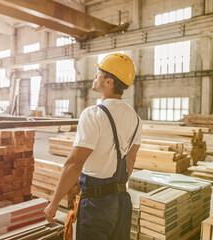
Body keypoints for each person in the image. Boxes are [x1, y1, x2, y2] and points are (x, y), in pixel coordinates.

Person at [44, 53, 142, 240]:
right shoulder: (135, 118)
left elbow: (74, 164)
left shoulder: (93, 115)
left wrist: (54, 203)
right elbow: (130, 161)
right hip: (122, 201)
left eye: (99, 73)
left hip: (98, 205)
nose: (94, 76)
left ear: (109, 81)